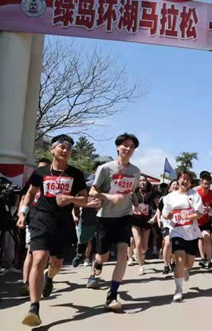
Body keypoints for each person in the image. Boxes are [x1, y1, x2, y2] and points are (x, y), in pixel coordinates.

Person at [18, 134, 99, 327]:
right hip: (40, 219)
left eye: (69, 148)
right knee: (38, 257)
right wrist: (23, 213)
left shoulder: (76, 174)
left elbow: (85, 199)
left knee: (57, 263)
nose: (65, 150)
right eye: (61, 147)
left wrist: (69, 199)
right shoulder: (40, 172)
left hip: (63, 224)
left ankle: (49, 277)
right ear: (52, 150)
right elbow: (29, 194)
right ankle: (34, 307)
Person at [87, 133, 141, 312]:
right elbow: (93, 192)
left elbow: (132, 192)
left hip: (124, 216)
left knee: (122, 254)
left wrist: (136, 204)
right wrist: (109, 196)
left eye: (132, 146)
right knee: (102, 256)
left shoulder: (135, 171)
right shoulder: (105, 168)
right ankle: (96, 268)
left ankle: (112, 295)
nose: (128, 148)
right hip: (105, 217)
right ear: (118, 147)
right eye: (125, 145)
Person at [162, 171, 205, 301]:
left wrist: (189, 216)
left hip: (191, 232)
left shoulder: (194, 195)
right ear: (178, 180)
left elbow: (200, 213)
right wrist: (169, 216)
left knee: (189, 263)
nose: (184, 181)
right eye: (182, 179)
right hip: (176, 231)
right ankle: (178, 289)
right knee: (179, 258)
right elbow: (165, 213)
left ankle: (186, 270)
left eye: (187, 180)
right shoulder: (170, 197)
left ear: (190, 183)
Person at [18, 158, 52, 297]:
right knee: (31, 252)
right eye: (39, 168)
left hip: (48, 222)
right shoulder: (32, 182)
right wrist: (22, 215)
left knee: (44, 254)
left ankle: (43, 279)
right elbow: (24, 198)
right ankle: (26, 283)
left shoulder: (52, 183)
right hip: (33, 220)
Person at [72, 161, 102, 269]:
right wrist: (89, 204)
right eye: (99, 170)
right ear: (94, 171)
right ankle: (79, 255)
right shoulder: (86, 185)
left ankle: (93, 273)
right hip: (86, 220)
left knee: (95, 245)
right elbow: (74, 202)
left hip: (101, 220)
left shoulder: (108, 186)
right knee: (82, 243)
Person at [130, 176, 156, 275]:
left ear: (147, 181)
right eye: (140, 180)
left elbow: (159, 206)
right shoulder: (134, 192)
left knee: (144, 247)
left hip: (146, 221)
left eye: (144, 180)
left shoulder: (151, 193)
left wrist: (154, 218)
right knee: (138, 242)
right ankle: (141, 266)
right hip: (135, 220)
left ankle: (139, 254)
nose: (142, 182)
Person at [196, 171, 212, 271]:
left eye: (209, 184)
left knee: (207, 237)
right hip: (195, 221)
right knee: (201, 238)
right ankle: (203, 258)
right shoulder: (196, 193)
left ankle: (209, 261)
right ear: (201, 183)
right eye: (205, 183)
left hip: (205, 220)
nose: (207, 186)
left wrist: (210, 209)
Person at [158, 180, 179, 274]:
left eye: (177, 185)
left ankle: (173, 262)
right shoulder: (164, 198)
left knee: (175, 245)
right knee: (167, 243)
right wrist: (158, 219)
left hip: (178, 225)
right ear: (169, 188)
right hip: (166, 224)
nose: (175, 186)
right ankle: (166, 265)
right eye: (173, 185)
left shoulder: (182, 198)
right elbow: (159, 209)